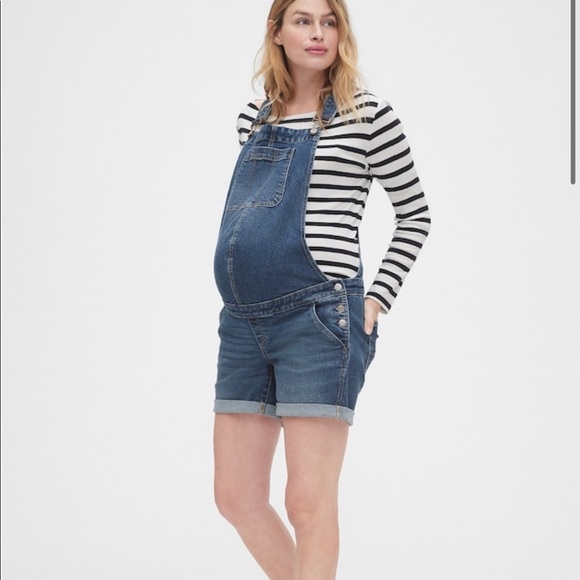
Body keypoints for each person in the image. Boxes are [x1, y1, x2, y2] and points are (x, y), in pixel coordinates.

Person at [211, 0, 431, 577]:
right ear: (277, 32)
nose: (318, 33)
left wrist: (377, 297)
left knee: (306, 504)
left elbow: (415, 214)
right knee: (235, 496)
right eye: (303, 20)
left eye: (329, 22)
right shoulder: (255, 118)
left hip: (318, 320)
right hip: (242, 324)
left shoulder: (368, 116)